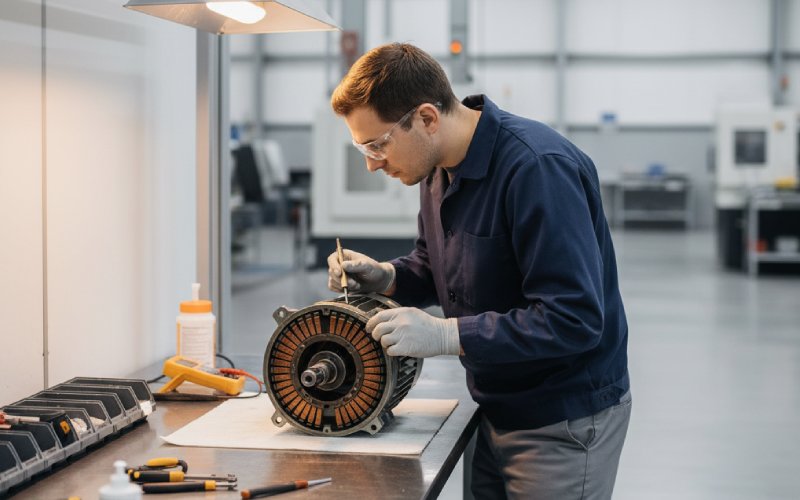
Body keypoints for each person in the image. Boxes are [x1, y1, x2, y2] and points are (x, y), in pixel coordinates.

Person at [326, 42, 631, 500]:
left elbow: (574, 319)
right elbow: (437, 265)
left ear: (427, 118)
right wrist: (387, 276)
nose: (372, 163)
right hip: (492, 406)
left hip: (561, 420)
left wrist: (448, 335)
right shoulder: (435, 170)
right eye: (361, 148)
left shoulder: (538, 169)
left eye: (377, 144)